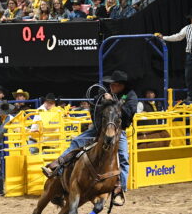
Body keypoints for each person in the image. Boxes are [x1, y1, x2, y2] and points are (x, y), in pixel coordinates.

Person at [41, 70, 137, 205]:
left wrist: (114, 102)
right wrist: (100, 123)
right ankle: (58, 166)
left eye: (115, 84)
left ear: (122, 86)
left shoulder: (130, 96)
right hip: (99, 129)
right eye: (111, 84)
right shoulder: (102, 94)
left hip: (117, 131)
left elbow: (129, 113)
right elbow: (94, 109)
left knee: (123, 157)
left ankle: (119, 189)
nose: (112, 87)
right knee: (76, 141)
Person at [155, 8, 192, 103]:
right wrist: (164, 37)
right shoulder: (187, 28)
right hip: (190, 54)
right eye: (191, 18)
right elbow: (178, 36)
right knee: (188, 76)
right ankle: (191, 96)